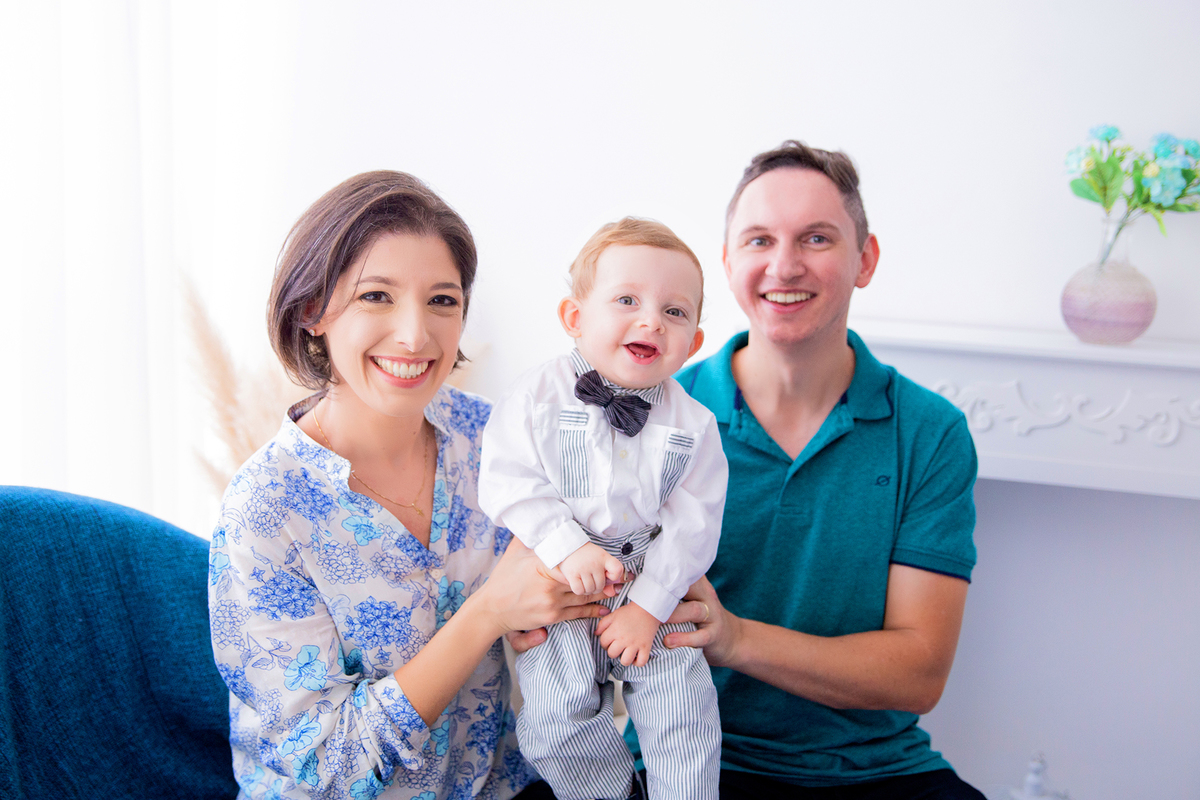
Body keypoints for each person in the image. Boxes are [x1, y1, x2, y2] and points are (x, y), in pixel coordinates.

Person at [207, 171, 613, 800]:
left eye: (442, 301)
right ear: (313, 311)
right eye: (376, 296)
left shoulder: (495, 439)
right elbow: (328, 764)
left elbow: (570, 572)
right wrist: (488, 614)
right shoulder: (264, 510)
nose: (415, 335)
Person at [625, 141, 986, 799]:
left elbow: (919, 674)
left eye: (816, 238)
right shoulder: (652, 413)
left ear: (864, 260)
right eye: (759, 240)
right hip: (676, 759)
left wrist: (733, 638)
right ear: (728, 262)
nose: (784, 266)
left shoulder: (931, 434)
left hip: (876, 772)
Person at [479, 218, 727, 800]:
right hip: (561, 580)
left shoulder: (694, 424)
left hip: (650, 580)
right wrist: (566, 545)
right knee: (554, 722)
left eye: (675, 312)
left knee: (683, 713)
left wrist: (650, 603)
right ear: (575, 319)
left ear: (693, 343)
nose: (650, 321)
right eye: (626, 300)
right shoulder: (536, 395)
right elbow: (507, 480)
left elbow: (696, 524)